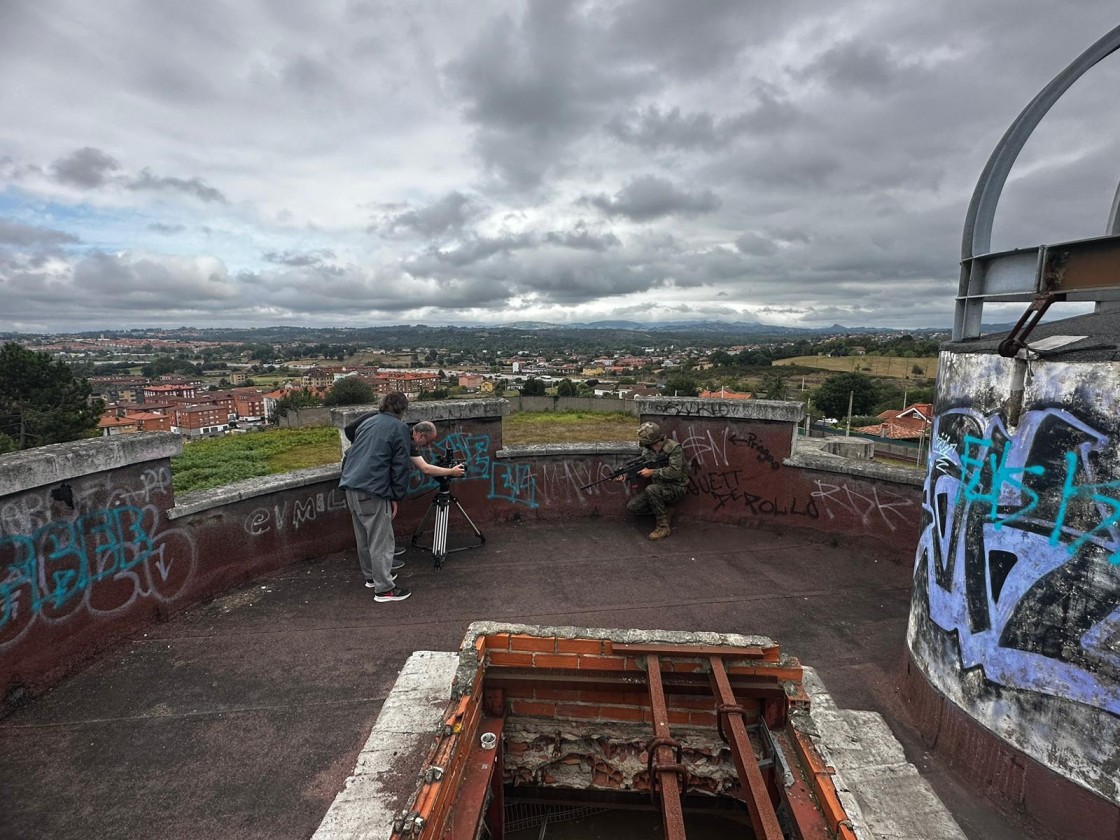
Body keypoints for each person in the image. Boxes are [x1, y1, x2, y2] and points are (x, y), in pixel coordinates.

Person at [338, 392, 414, 602]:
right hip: (373, 489)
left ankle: (372, 577)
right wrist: (396, 496)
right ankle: (384, 589)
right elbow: (400, 467)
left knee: (363, 537)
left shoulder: (368, 423)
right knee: (381, 540)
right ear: (402, 410)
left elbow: (351, 435)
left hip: (351, 485)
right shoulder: (400, 428)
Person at [618, 421, 687, 540]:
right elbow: (641, 468)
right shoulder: (648, 450)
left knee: (651, 489)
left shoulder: (673, 448)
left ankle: (663, 527)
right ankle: (665, 512)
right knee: (633, 507)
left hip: (676, 488)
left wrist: (652, 472)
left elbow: (676, 472)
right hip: (657, 488)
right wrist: (627, 475)